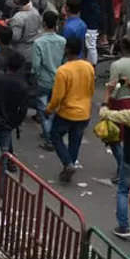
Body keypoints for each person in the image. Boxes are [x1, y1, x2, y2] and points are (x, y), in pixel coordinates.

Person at [45, 37, 93, 183]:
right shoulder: (88, 67)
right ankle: (70, 163)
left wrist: (49, 109)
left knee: (55, 135)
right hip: (84, 111)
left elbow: (58, 96)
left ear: (67, 50)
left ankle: (67, 163)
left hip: (67, 111)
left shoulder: (63, 70)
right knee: (75, 140)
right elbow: (91, 89)